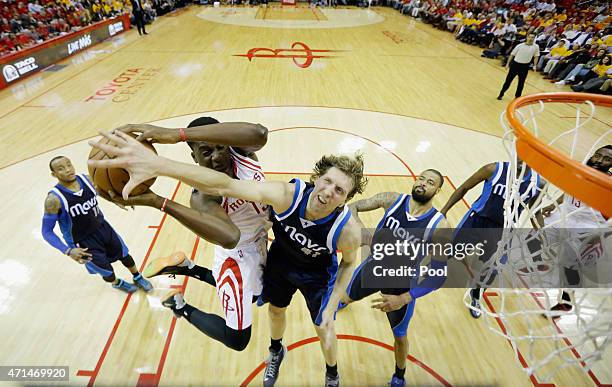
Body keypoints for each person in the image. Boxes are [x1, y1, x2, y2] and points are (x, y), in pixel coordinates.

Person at [88, 130, 366, 387]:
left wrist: (332, 304)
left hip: (316, 273)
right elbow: (224, 185)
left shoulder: (347, 230)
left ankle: (332, 373)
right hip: (280, 261)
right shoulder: (286, 195)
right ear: (316, 178)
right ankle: (275, 350)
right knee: (274, 310)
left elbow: (349, 262)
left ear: (345, 199)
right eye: (327, 181)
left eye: (340, 190)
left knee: (324, 325)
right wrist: (159, 165)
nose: (329, 191)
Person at [101, 118, 270, 351]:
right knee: (237, 340)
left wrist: (177, 134)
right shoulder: (203, 195)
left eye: (220, 147)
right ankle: (181, 307)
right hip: (236, 259)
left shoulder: (242, 155)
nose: (217, 157)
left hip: (261, 243)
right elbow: (230, 237)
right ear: (194, 158)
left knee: (254, 297)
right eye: (206, 151)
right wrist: (156, 201)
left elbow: (259, 133)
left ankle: (187, 268)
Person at [339, 169, 451, 387]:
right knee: (342, 297)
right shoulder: (392, 200)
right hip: (374, 268)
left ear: (437, 190)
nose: (422, 184)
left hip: (401, 285)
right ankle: (343, 302)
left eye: (430, 182)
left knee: (399, 336)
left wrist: (404, 298)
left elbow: (438, 275)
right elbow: (352, 206)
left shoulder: (439, 225)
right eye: (421, 178)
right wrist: (365, 233)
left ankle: (399, 375)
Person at [440, 160, 543, 318]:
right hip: (477, 220)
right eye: (519, 154)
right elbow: (464, 187)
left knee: (493, 268)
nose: (521, 159)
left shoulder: (537, 183)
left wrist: (542, 236)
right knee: (451, 251)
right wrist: (444, 210)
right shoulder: (494, 169)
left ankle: (476, 296)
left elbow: (536, 211)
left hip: (504, 230)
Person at [41, 156, 153, 293]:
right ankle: (117, 283)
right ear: (54, 174)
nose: (68, 170)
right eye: (61, 169)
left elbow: (100, 192)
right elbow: (46, 232)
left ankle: (137, 276)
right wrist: (68, 251)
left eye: (69, 165)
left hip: (103, 228)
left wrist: (116, 200)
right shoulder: (53, 200)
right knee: (106, 272)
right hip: (81, 242)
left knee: (125, 255)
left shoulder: (88, 179)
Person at [535, 145, 611, 315]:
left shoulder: (609, 185)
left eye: (607, 159)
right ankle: (543, 261)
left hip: (589, 225)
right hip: (566, 214)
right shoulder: (581, 169)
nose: (599, 160)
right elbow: (571, 190)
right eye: (598, 155)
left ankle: (565, 302)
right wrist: (554, 203)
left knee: (569, 266)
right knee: (537, 226)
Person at [497, 32, 540, 100]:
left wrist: (535, 65)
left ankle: (517, 98)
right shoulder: (520, 45)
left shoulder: (536, 47)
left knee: (521, 83)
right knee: (508, 81)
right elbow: (512, 55)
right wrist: (508, 64)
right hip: (515, 65)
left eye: (532, 37)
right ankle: (501, 94)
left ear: (534, 38)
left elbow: (536, 56)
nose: (531, 39)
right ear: (527, 37)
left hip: (525, 67)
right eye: (530, 37)